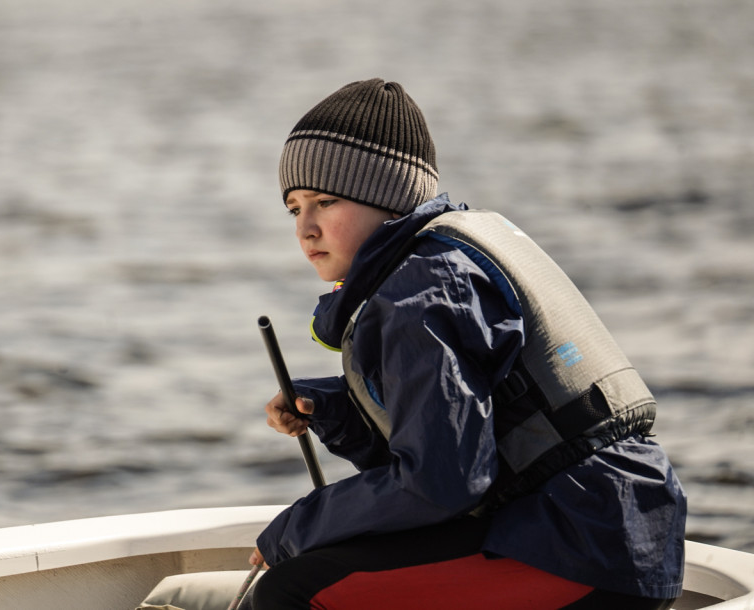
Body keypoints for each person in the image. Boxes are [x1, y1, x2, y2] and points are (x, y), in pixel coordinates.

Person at [243, 79, 686, 609]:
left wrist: (294, 529)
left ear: (388, 197)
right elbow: (457, 433)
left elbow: (443, 484)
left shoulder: (420, 291)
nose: (306, 229)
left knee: (293, 590)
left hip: (579, 547)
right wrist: (332, 408)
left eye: (326, 200)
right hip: (607, 530)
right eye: (294, 208)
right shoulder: (431, 269)